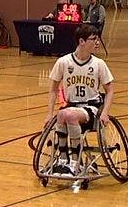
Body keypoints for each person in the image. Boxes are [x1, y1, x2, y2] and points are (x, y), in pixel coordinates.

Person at [45, 23, 115, 175]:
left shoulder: (99, 64)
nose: (97, 42)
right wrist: (49, 113)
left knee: (67, 115)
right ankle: (63, 160)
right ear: (82, 41)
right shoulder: (63, 62)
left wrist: (105, 112)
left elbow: (110, 90)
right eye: (94, 39)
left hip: (91, 109)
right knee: (62, 114)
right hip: (70, 106)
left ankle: (75, 161)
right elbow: (53, 90)